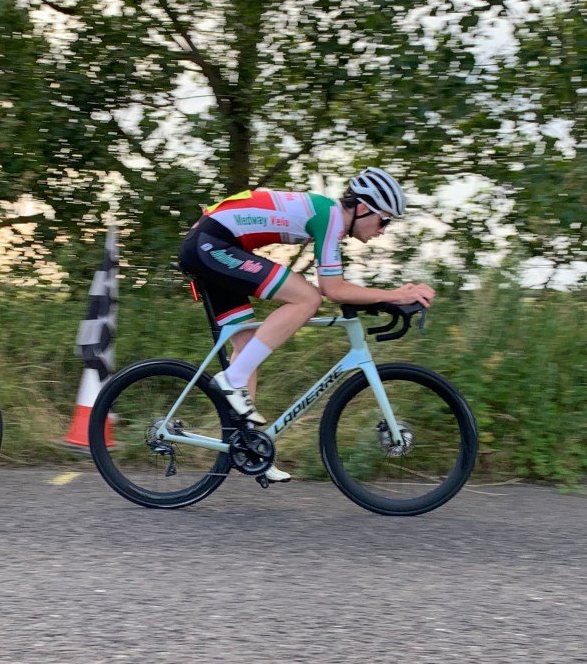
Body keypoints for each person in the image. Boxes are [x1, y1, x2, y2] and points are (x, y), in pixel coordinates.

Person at [178, 167, 435, 483]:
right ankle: (233, 378)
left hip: (211, 244)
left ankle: (250, 447)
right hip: (212, 244)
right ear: (363, 208)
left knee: (246, 347)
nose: (382, 230)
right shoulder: (330, 216)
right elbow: (333, 290)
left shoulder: (328, 217)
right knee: (307, 299)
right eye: (384, 220)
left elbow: (337, 287)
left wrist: (387, 298)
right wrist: (395, 295)